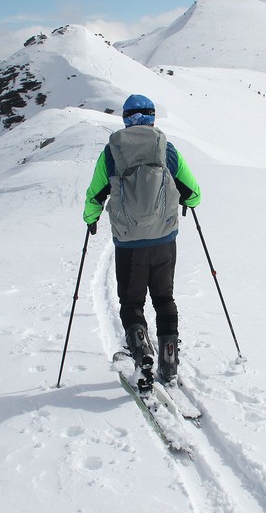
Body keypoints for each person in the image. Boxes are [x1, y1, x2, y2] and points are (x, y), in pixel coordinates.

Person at [83, 94, 201, 389]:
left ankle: (141, 349)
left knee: (132, 301)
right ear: (152, 118)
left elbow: (95, 194)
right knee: (164, 298)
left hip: (128, 244)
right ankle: (169, 358)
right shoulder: (166, 149)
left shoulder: (112, 152)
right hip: (164, 240)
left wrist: (90, 219)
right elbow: (194, 192)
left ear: (125, 118)